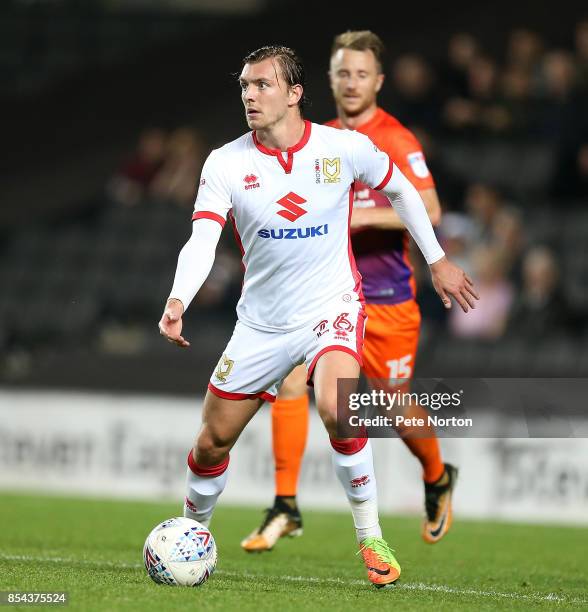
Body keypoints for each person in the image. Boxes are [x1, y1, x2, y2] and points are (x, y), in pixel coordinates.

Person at [158, 45, 477, 588]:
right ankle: (191, 535)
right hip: (260, 324)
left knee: (337, 405)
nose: (250, 96)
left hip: (332, 308)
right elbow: (202, 238)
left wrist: (438, 259)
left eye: (262, 85)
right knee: (211, 443)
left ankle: (371, 538)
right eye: (244, 86)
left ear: (294, 93)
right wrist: (177, 299)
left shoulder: (344, 148)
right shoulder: (227, 161)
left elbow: (402, 190)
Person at [240, 31, 463, 554]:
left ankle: (436, 473)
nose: (351, 83)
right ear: (329, 80)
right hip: (324, 295)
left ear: (378, 81)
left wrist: (358, 217)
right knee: (292, 384)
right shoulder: (318, 138)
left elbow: (428, 209)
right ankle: (285, 504)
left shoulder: (396, 138)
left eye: (362, 74)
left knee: (390, 404)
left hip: (385, 296)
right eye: (343, 73)